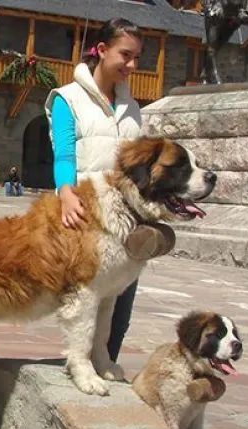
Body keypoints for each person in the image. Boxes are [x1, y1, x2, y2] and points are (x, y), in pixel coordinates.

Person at [44, 18, 176, 364]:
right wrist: (67, 192)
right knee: (86, 308)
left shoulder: (131, 107)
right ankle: (80, 372)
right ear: (101, 51)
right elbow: (65, 153)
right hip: (88, 221)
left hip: (127, 225)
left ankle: (103, 374)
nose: (132, 65)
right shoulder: (66, 99)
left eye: (138, 57)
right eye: (125, 55)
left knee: (118, 316)